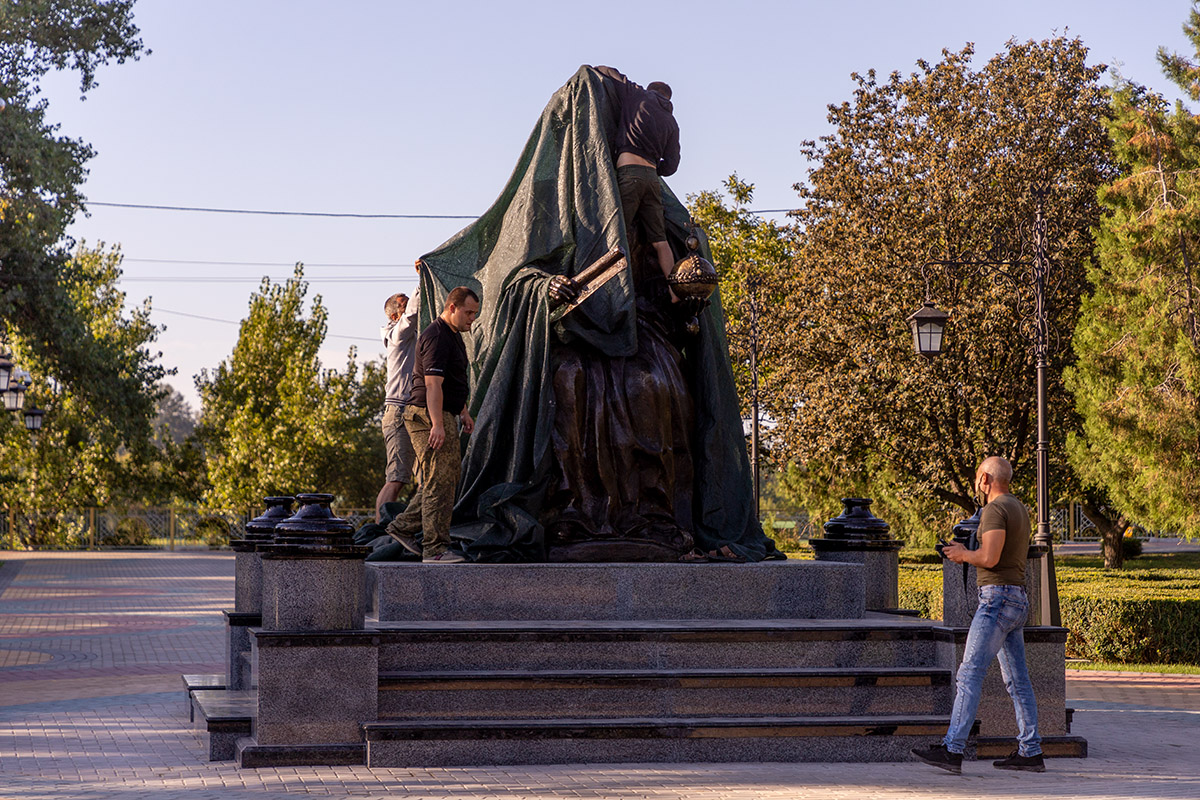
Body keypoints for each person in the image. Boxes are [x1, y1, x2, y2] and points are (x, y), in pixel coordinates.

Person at [911, 456, 1044, 774]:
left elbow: (990, 556)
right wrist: (966, 549)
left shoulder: (995, 509)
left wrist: (961, 555)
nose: (975, 483)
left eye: (976, 478)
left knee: (969, 674)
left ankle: (952, 749)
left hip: (996, 600)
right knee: (1017, 681)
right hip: (1016, 598)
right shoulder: (1019, 507)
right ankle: (1031, 750)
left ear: (986, 479)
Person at [385, 286, 480, 563]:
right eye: (468, 312)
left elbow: (452, 381)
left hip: (443, 413)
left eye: (475, 313)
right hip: (427, 415)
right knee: (439, 480)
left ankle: (402, 526)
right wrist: (437, 424)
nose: (472, 318)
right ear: (452, 307)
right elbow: (432, 384)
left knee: (444, 478)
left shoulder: (454, 336)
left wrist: (463, 411)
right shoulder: (436, 336)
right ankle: (435, 550)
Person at [593, 65, 681, 297]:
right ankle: (674, 292)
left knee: (616, 232)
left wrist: (592, 69)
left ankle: (611, 291)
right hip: (652, 179)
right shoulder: (672, 123)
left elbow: (611, 72)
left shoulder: (638, 94)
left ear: (650, 90)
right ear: (668, 98)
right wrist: (654, 168)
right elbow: (672, 165)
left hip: (629, 173)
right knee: (660, 241)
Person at [374, 275, 421, 522]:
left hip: (414, 412)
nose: (409, 307)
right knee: (396, 477)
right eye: (403, 305)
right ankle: (378, 530)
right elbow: (412, 315)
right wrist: (424, 281)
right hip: (399, 414)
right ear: (394, 316)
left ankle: (409, 526)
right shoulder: (397, 336)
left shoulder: (413, 338)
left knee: (425, 477)